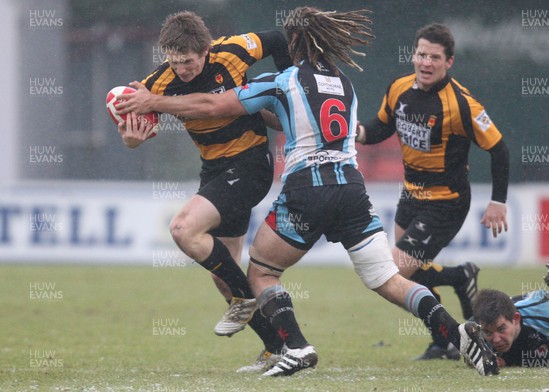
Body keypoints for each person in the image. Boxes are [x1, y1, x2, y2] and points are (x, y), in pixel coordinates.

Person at [116, 7, 499, 377]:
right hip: (352, 191)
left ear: (295, 40)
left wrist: (152, 102)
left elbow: (217, 103)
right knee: (389, 280)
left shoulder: (281, 81)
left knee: (262, 273)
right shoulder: (344, 84)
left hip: (307, 192)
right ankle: (458, 331)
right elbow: (285, 117)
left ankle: (295, 345)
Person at [115, 11, 293, 372]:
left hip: (251, 163)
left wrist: (292, 85)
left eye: (189, 61)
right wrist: (131, 140)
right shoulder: (157, 83)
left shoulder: (233, 50)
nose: (182, 69)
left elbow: (278, 38)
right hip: (214, 170)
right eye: (174, 61)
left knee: (183, 228)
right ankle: (278, 348)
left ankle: (245, 298)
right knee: (221, 276)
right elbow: (134, 135)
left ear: (206, 50)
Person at [355, 23, 510, 360]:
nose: (426, 63)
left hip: (446, 203)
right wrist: (356, 132)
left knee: (392, 273)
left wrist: (498, 202)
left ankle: (457, 278)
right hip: (410, 196)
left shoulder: (462, 104)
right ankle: (443, 341)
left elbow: (499, 150)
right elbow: (382, 126)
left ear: (448, 62)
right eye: (421, 54)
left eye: (434, 57)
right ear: (413, 54)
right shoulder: (399, 88)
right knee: (404, 277)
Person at [472, 287, 549, 368]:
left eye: (501, 329)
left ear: (516, 319)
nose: (496, 340)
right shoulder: (476, 330)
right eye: (488, 332)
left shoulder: (546, 310)